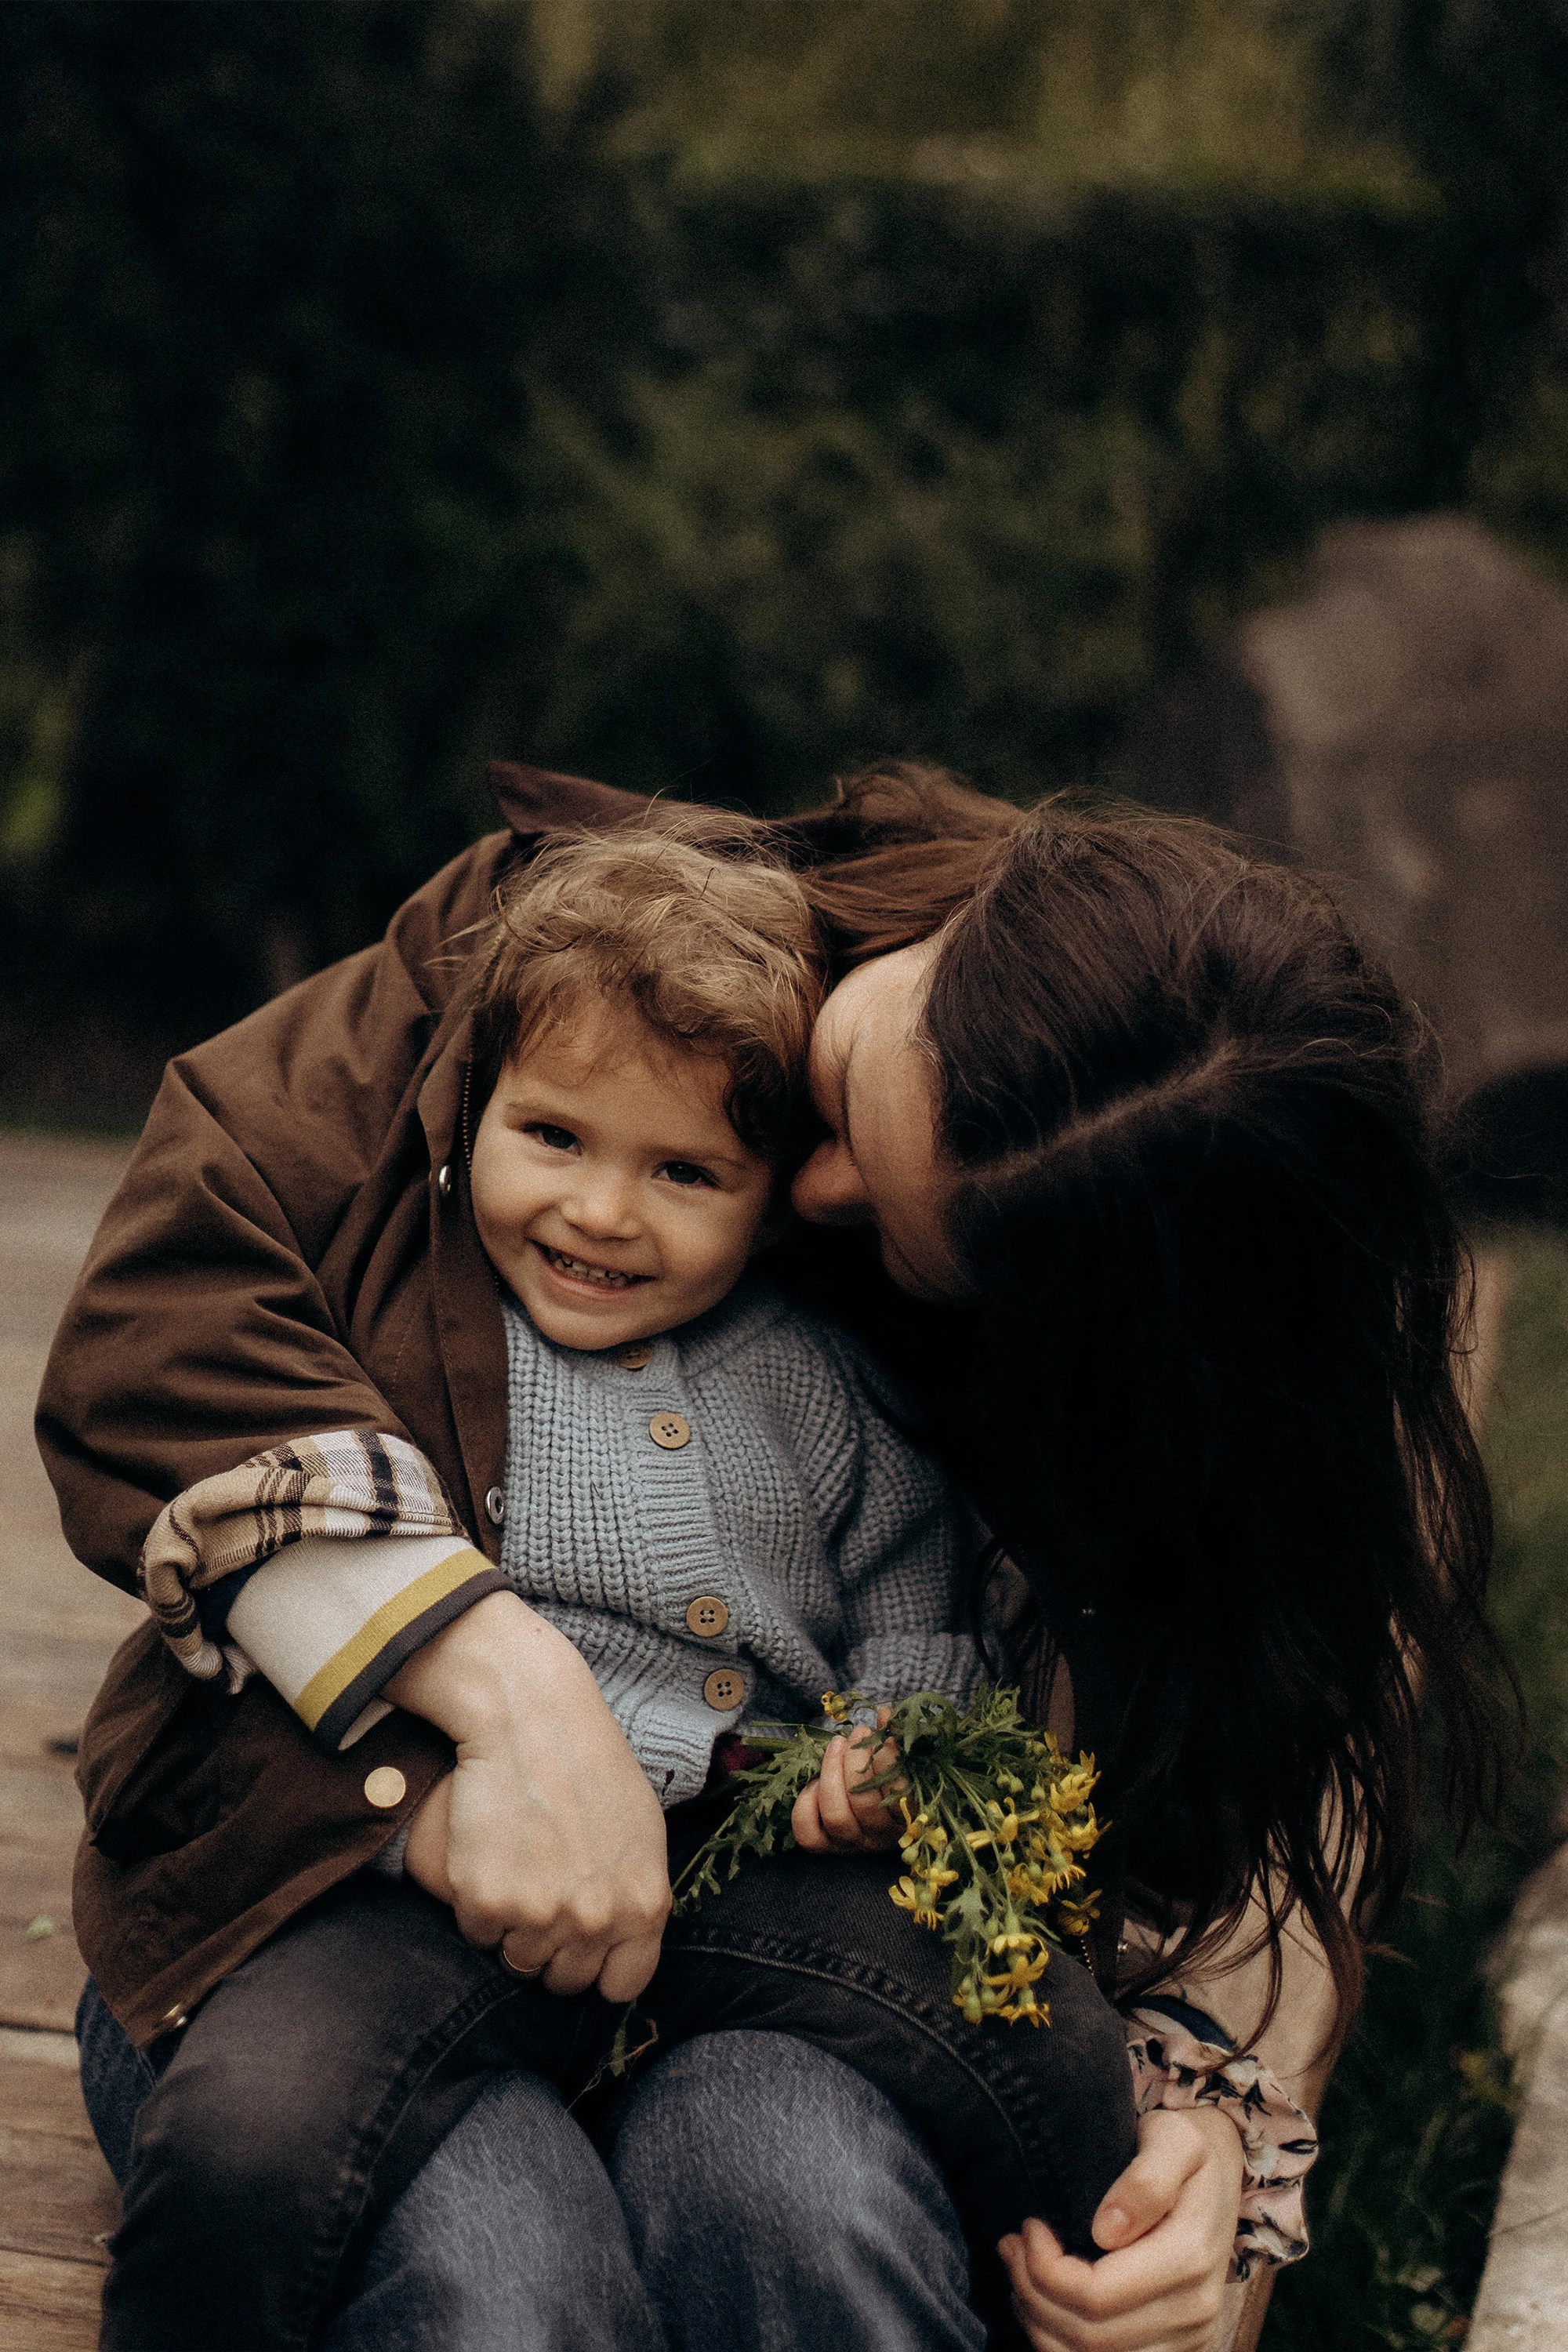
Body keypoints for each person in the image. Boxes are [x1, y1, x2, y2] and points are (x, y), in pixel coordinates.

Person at [42, 760, 1504, 2351]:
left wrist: (1209, 2132)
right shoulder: (579, 940)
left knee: (804, 2218)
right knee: (492, 2283)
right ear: (951, 940)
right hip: (333, 1893)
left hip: (782, 1939)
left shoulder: (1033, 1400)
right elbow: (171, 1303)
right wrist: (507, 1691)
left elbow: (1246, 1761)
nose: (809, 1190)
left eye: (886, 1235)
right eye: (849, 1090)